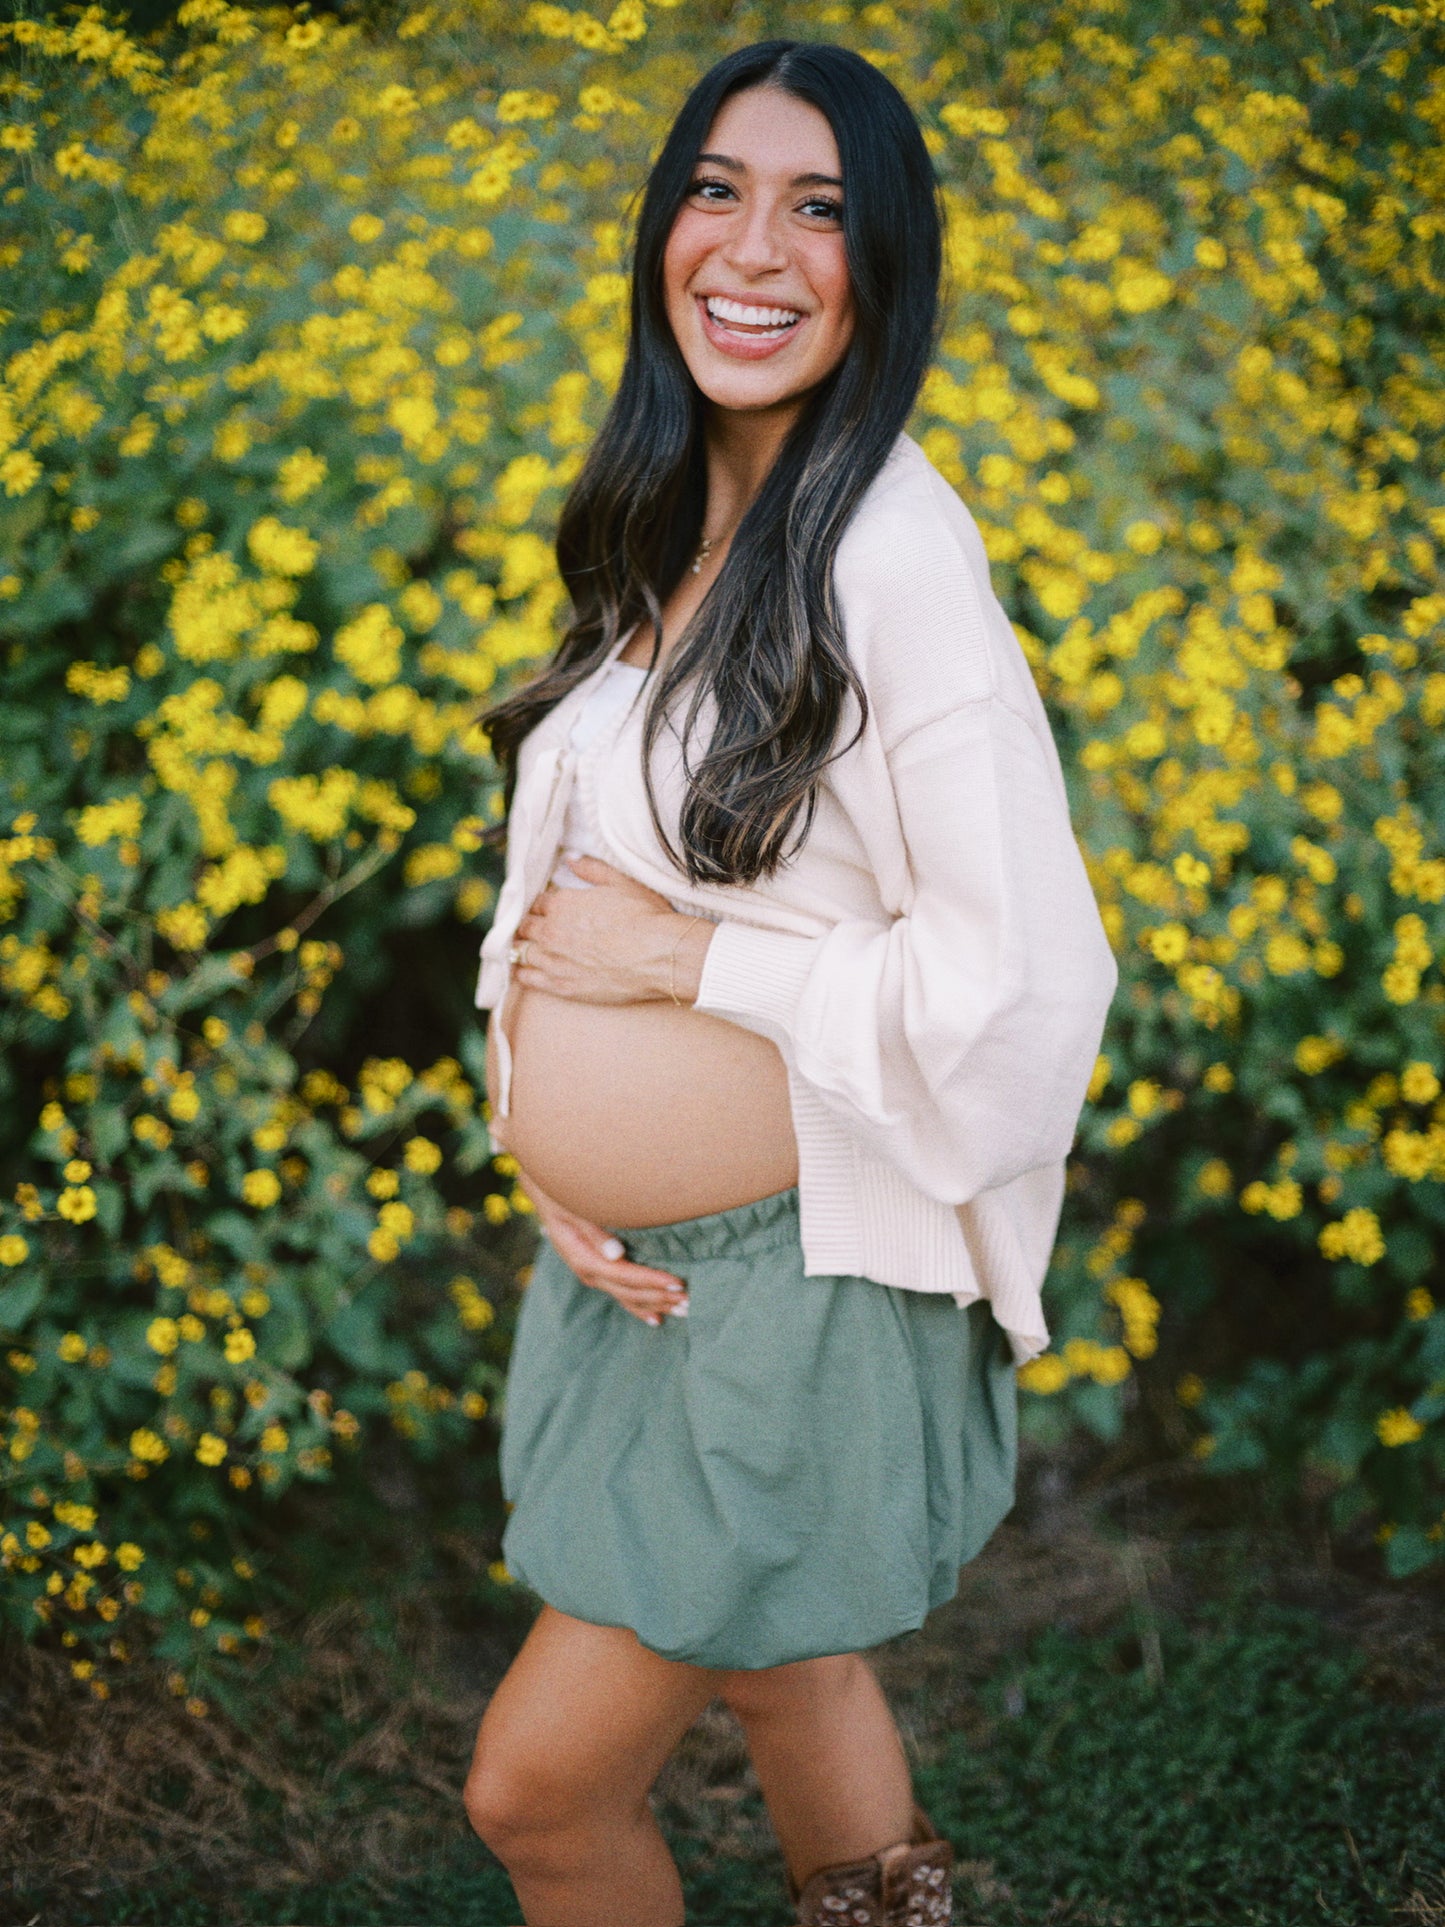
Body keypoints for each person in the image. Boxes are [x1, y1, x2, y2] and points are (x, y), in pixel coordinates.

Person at [462, 39, 1118, 1927]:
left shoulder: (895, 553)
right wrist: (549, 1143)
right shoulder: (668, 519)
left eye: (820, 207)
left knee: (533, 1797)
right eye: (718, 189)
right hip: (660, 1273)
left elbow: (1021, 977)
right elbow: (565, 881)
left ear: (883, 266)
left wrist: (690, 962)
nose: (754, 247)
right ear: (662, 226)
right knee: (780, 1662)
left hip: (803, 1285)